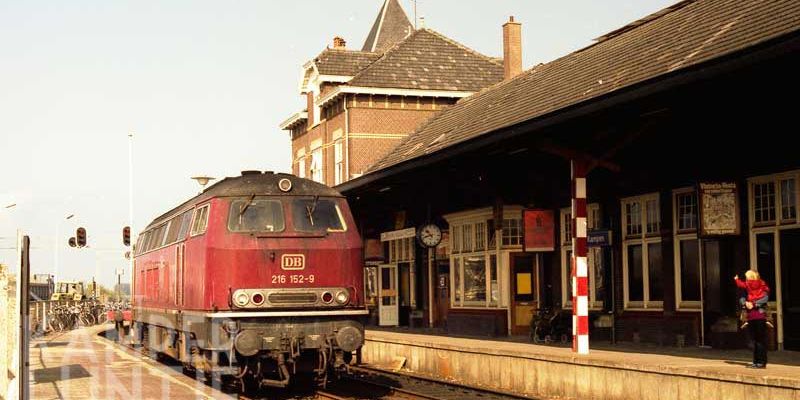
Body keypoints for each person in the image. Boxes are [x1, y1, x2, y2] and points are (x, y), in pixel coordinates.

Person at [733, 270, 770, 369]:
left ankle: (761, 362)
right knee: (755, 340)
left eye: (747, 277)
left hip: (760, 315)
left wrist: (752, 304)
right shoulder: (749, 286)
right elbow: (742, 297)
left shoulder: (762, 285)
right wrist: (745, 303)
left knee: (759, 340)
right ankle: (756, 361)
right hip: (751, 316)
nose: (746, 279)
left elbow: (765, 298)